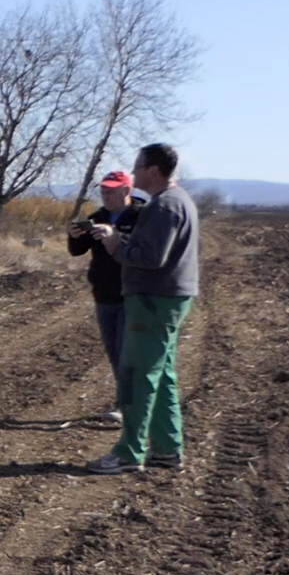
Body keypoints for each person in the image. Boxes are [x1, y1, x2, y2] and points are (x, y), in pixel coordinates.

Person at [86, 143, 199, 474]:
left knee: (136, 376)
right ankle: (166, 448)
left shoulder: (163, 207)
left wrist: (115, 245)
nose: (133, 173)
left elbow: (151, 258)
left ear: (153, 170)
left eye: (137, 167)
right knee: (161, 375)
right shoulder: (179, 202)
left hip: (153, 301)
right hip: (168, 299)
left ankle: (128, 453)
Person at [66, 170, 147, 422]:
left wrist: (117, 238)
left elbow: (148, 251)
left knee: (128, 353)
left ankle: (130, 407)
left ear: (126, 190)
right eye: (103, 191)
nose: (106, 195)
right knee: (114, 353)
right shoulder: (97, 217)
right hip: (104, 294)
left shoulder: (143, 216)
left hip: (133, 295)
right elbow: (77, 251)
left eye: (111, 191)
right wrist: (73, 235)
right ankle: (126, 401)